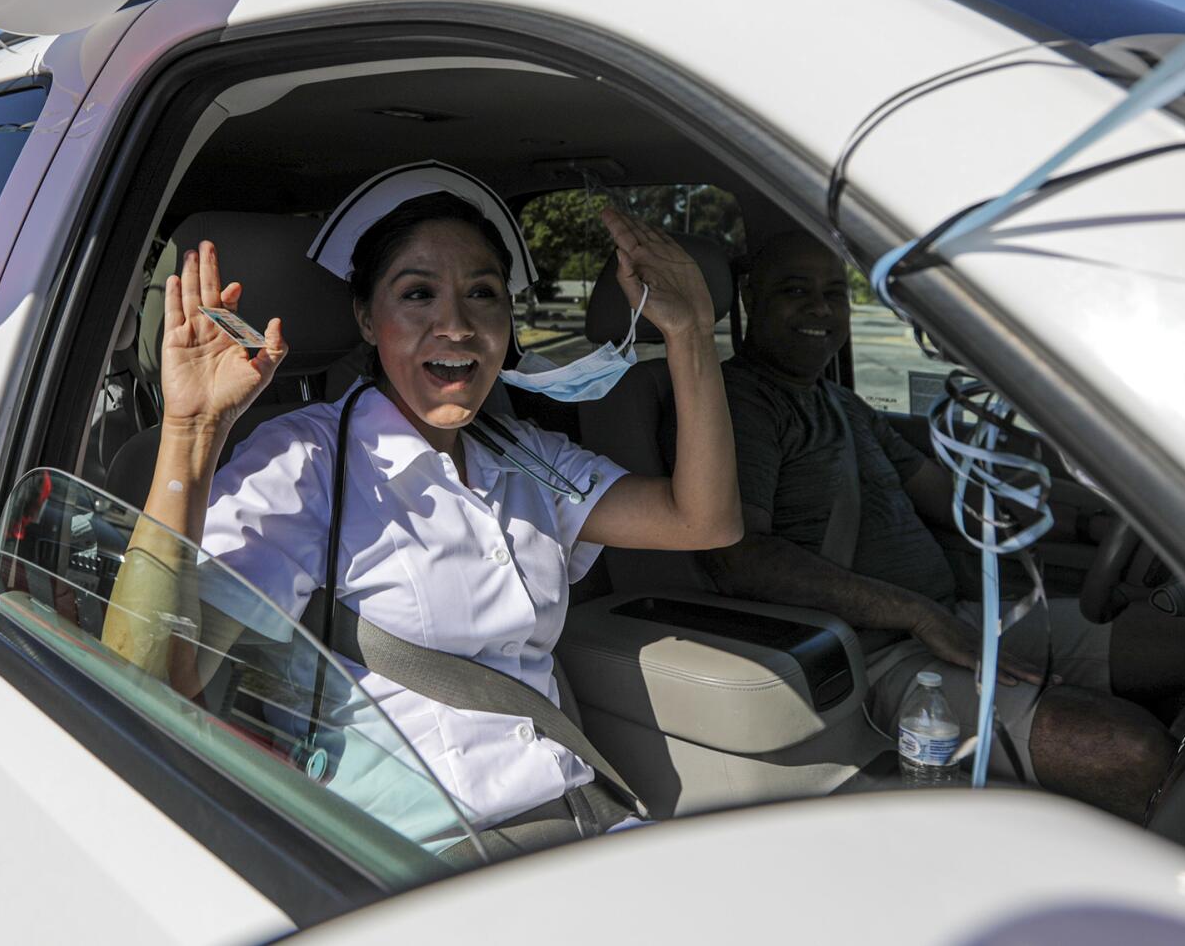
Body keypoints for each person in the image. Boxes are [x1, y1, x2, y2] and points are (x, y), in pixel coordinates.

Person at [108, 163, 742, 858]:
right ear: (365, 315)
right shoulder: (307, 460)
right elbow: (151, 677)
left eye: (482, 294)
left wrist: (692, 334)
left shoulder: (522, 451)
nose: (457, 325)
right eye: (418, 294)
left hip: (582, 820)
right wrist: (191, 432)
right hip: (422, 858)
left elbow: (702, 520)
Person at [701, 230, 1184, 821]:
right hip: (865, 656)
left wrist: (1094, 522)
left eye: (834, 293)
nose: (821, 309)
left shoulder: (843, 405)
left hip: (953, 616)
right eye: (795, 291)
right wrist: (917, 614)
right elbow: (741, 558)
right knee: (1126, 751)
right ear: (750, 299)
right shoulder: (740, 404)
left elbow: (954, 498)